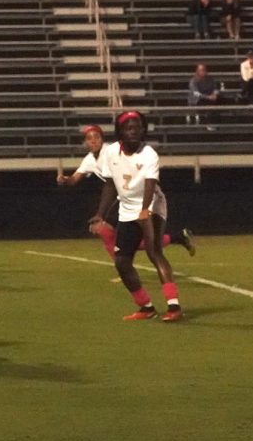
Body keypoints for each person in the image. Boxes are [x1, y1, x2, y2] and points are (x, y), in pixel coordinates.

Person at [89, 111, 183, 322]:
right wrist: (100, 214)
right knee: (122, 261)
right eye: (129, 128)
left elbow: (150, 184)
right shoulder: (111, 152)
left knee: (154, 252)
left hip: (152, 206)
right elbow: (111, 185)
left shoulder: (149, 154)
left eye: (138, 127)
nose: (134, 131)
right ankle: (146, 307)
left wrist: (144, 210)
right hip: (127, 209)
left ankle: (174, 306)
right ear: (120, 131)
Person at [57, 125, 195, 259]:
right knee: (115, 237)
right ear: (85, 142)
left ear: (102, 139)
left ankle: (125, 267)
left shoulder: (110, 151)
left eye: (97, 137)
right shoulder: (89, 159)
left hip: (136, 196)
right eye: (89, 138)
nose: (93, 141)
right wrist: (65, 180)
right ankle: (178, 238)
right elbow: (74, 179)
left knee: (124, 238)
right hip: (123, 198)